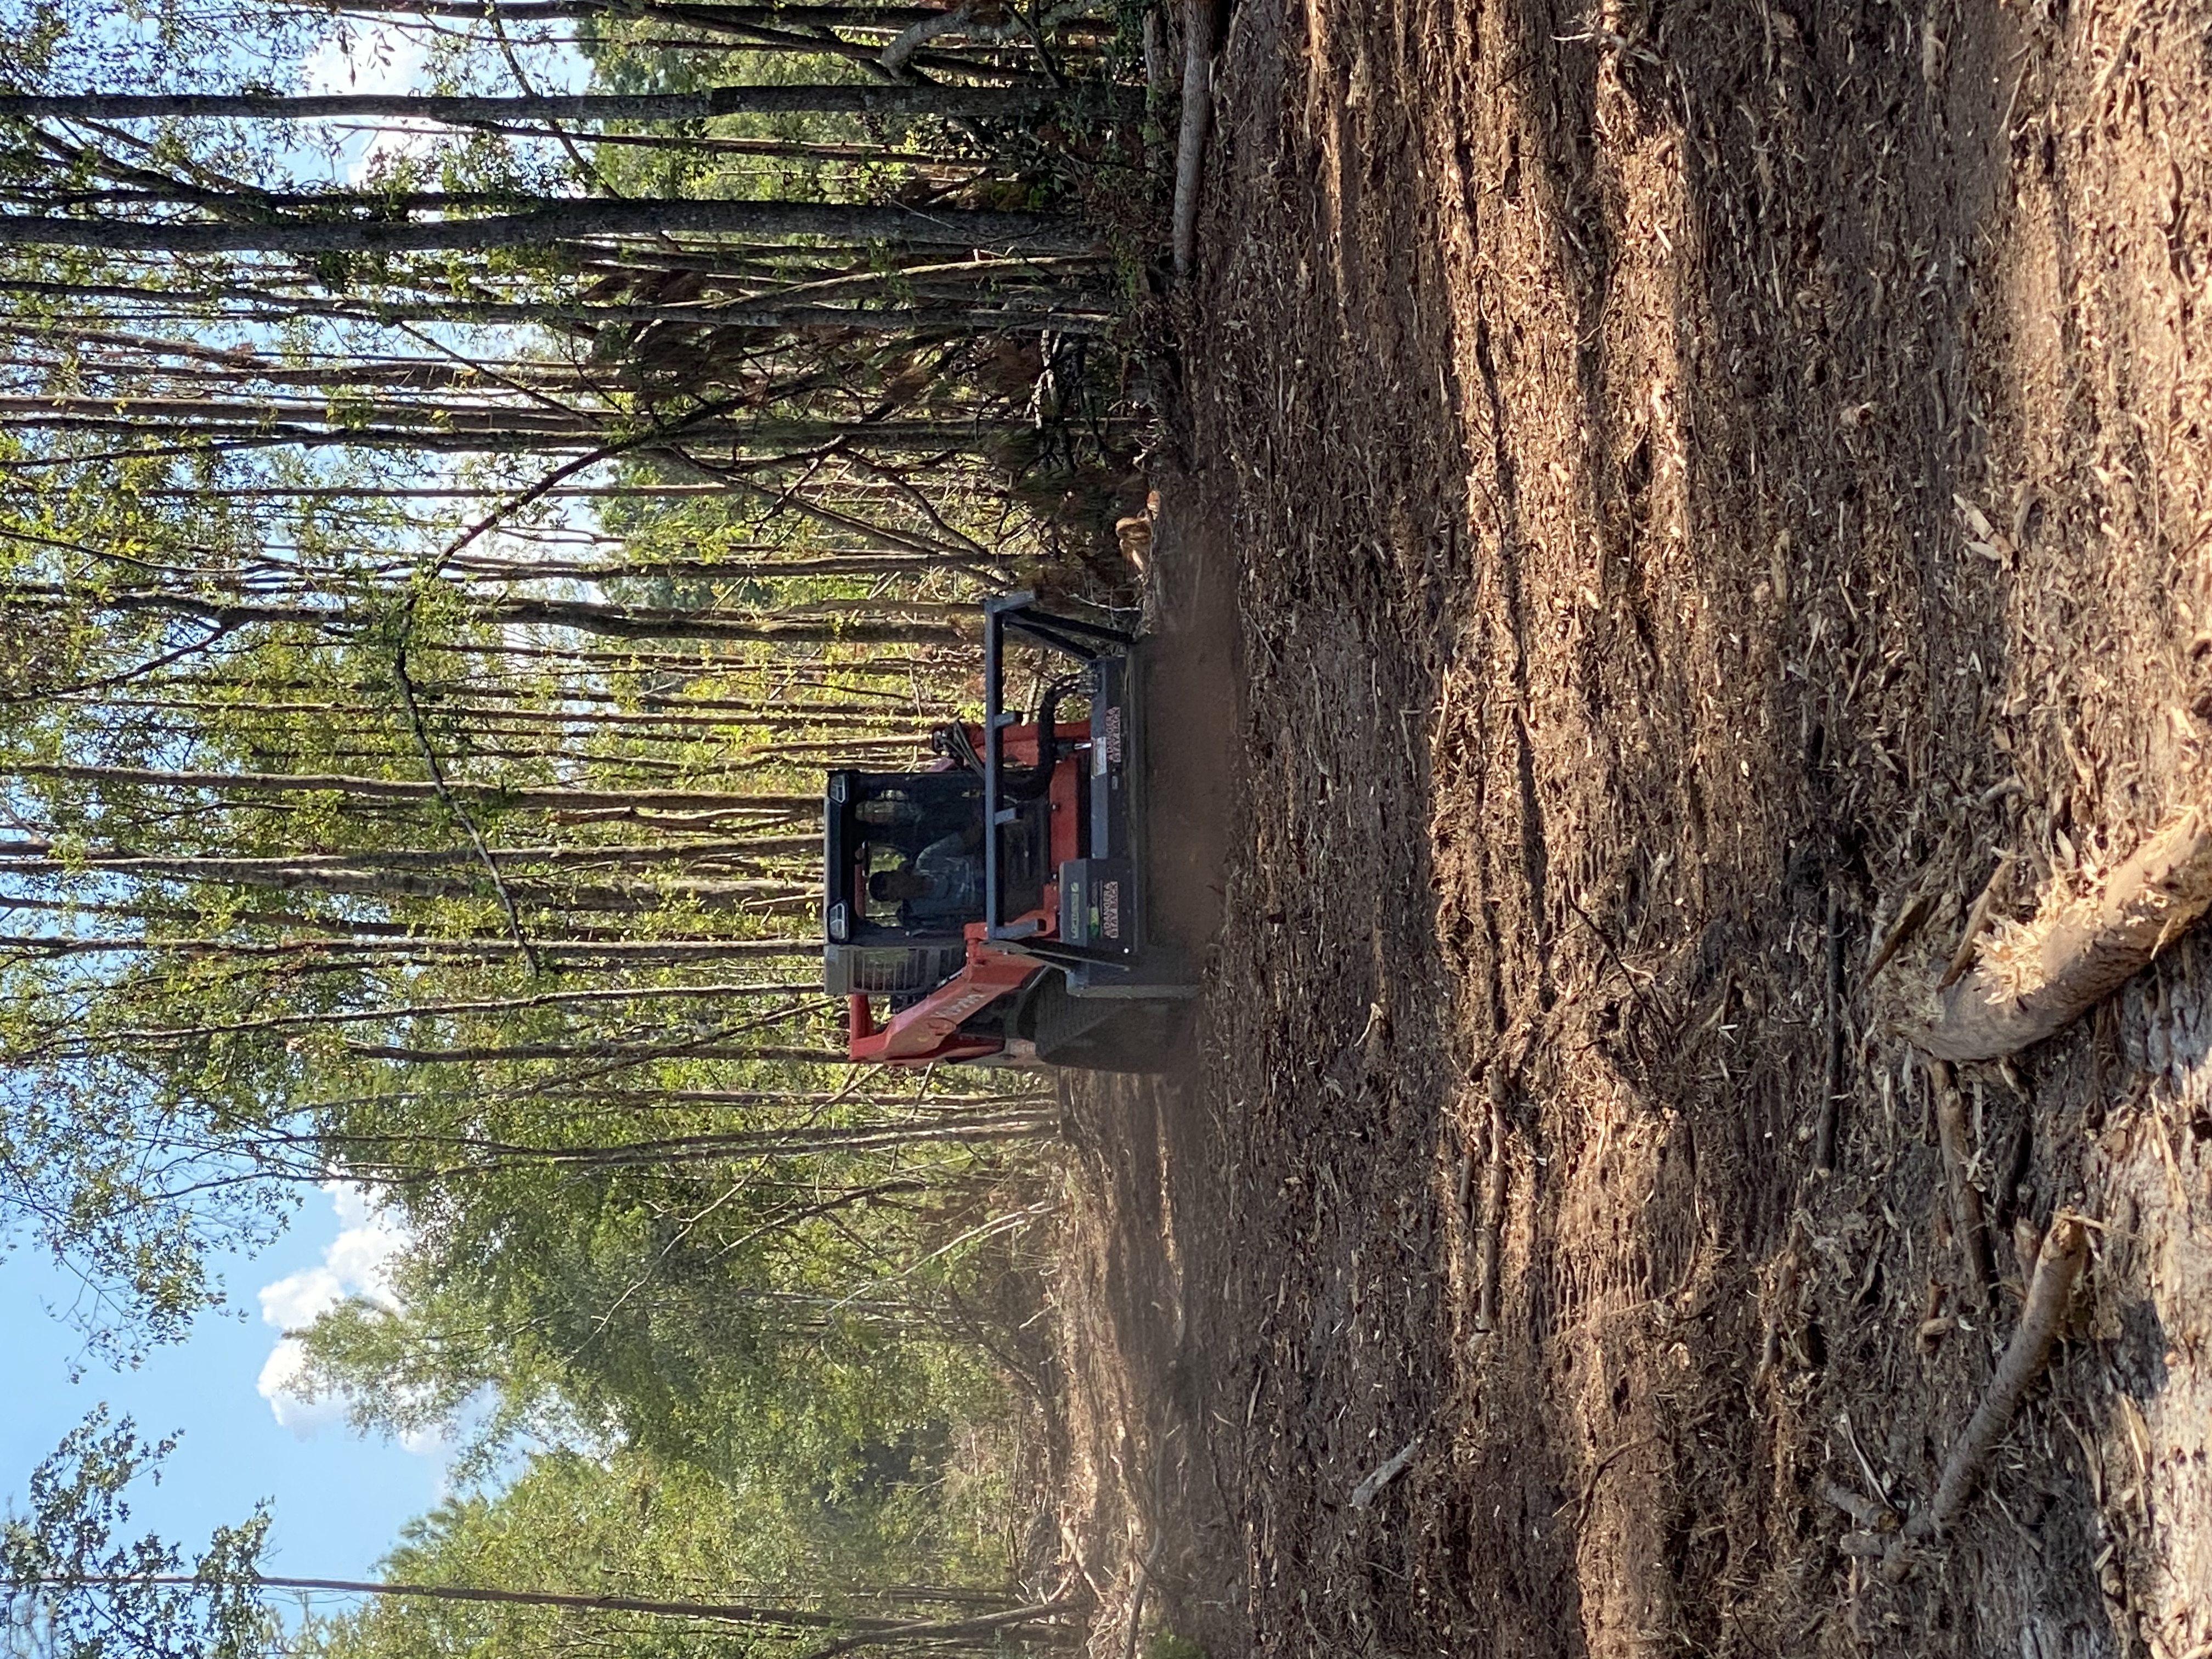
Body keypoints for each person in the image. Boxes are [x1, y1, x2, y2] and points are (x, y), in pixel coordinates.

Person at [868, 826, 982, 928]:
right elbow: (964, 925)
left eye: (895, 880)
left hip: (990, 866)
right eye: (894, 890)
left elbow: (968, 839)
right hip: (989, 903)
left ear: (897, 872)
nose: (900, 885)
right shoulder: (923, 914)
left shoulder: (927, 857)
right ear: (895, 899)